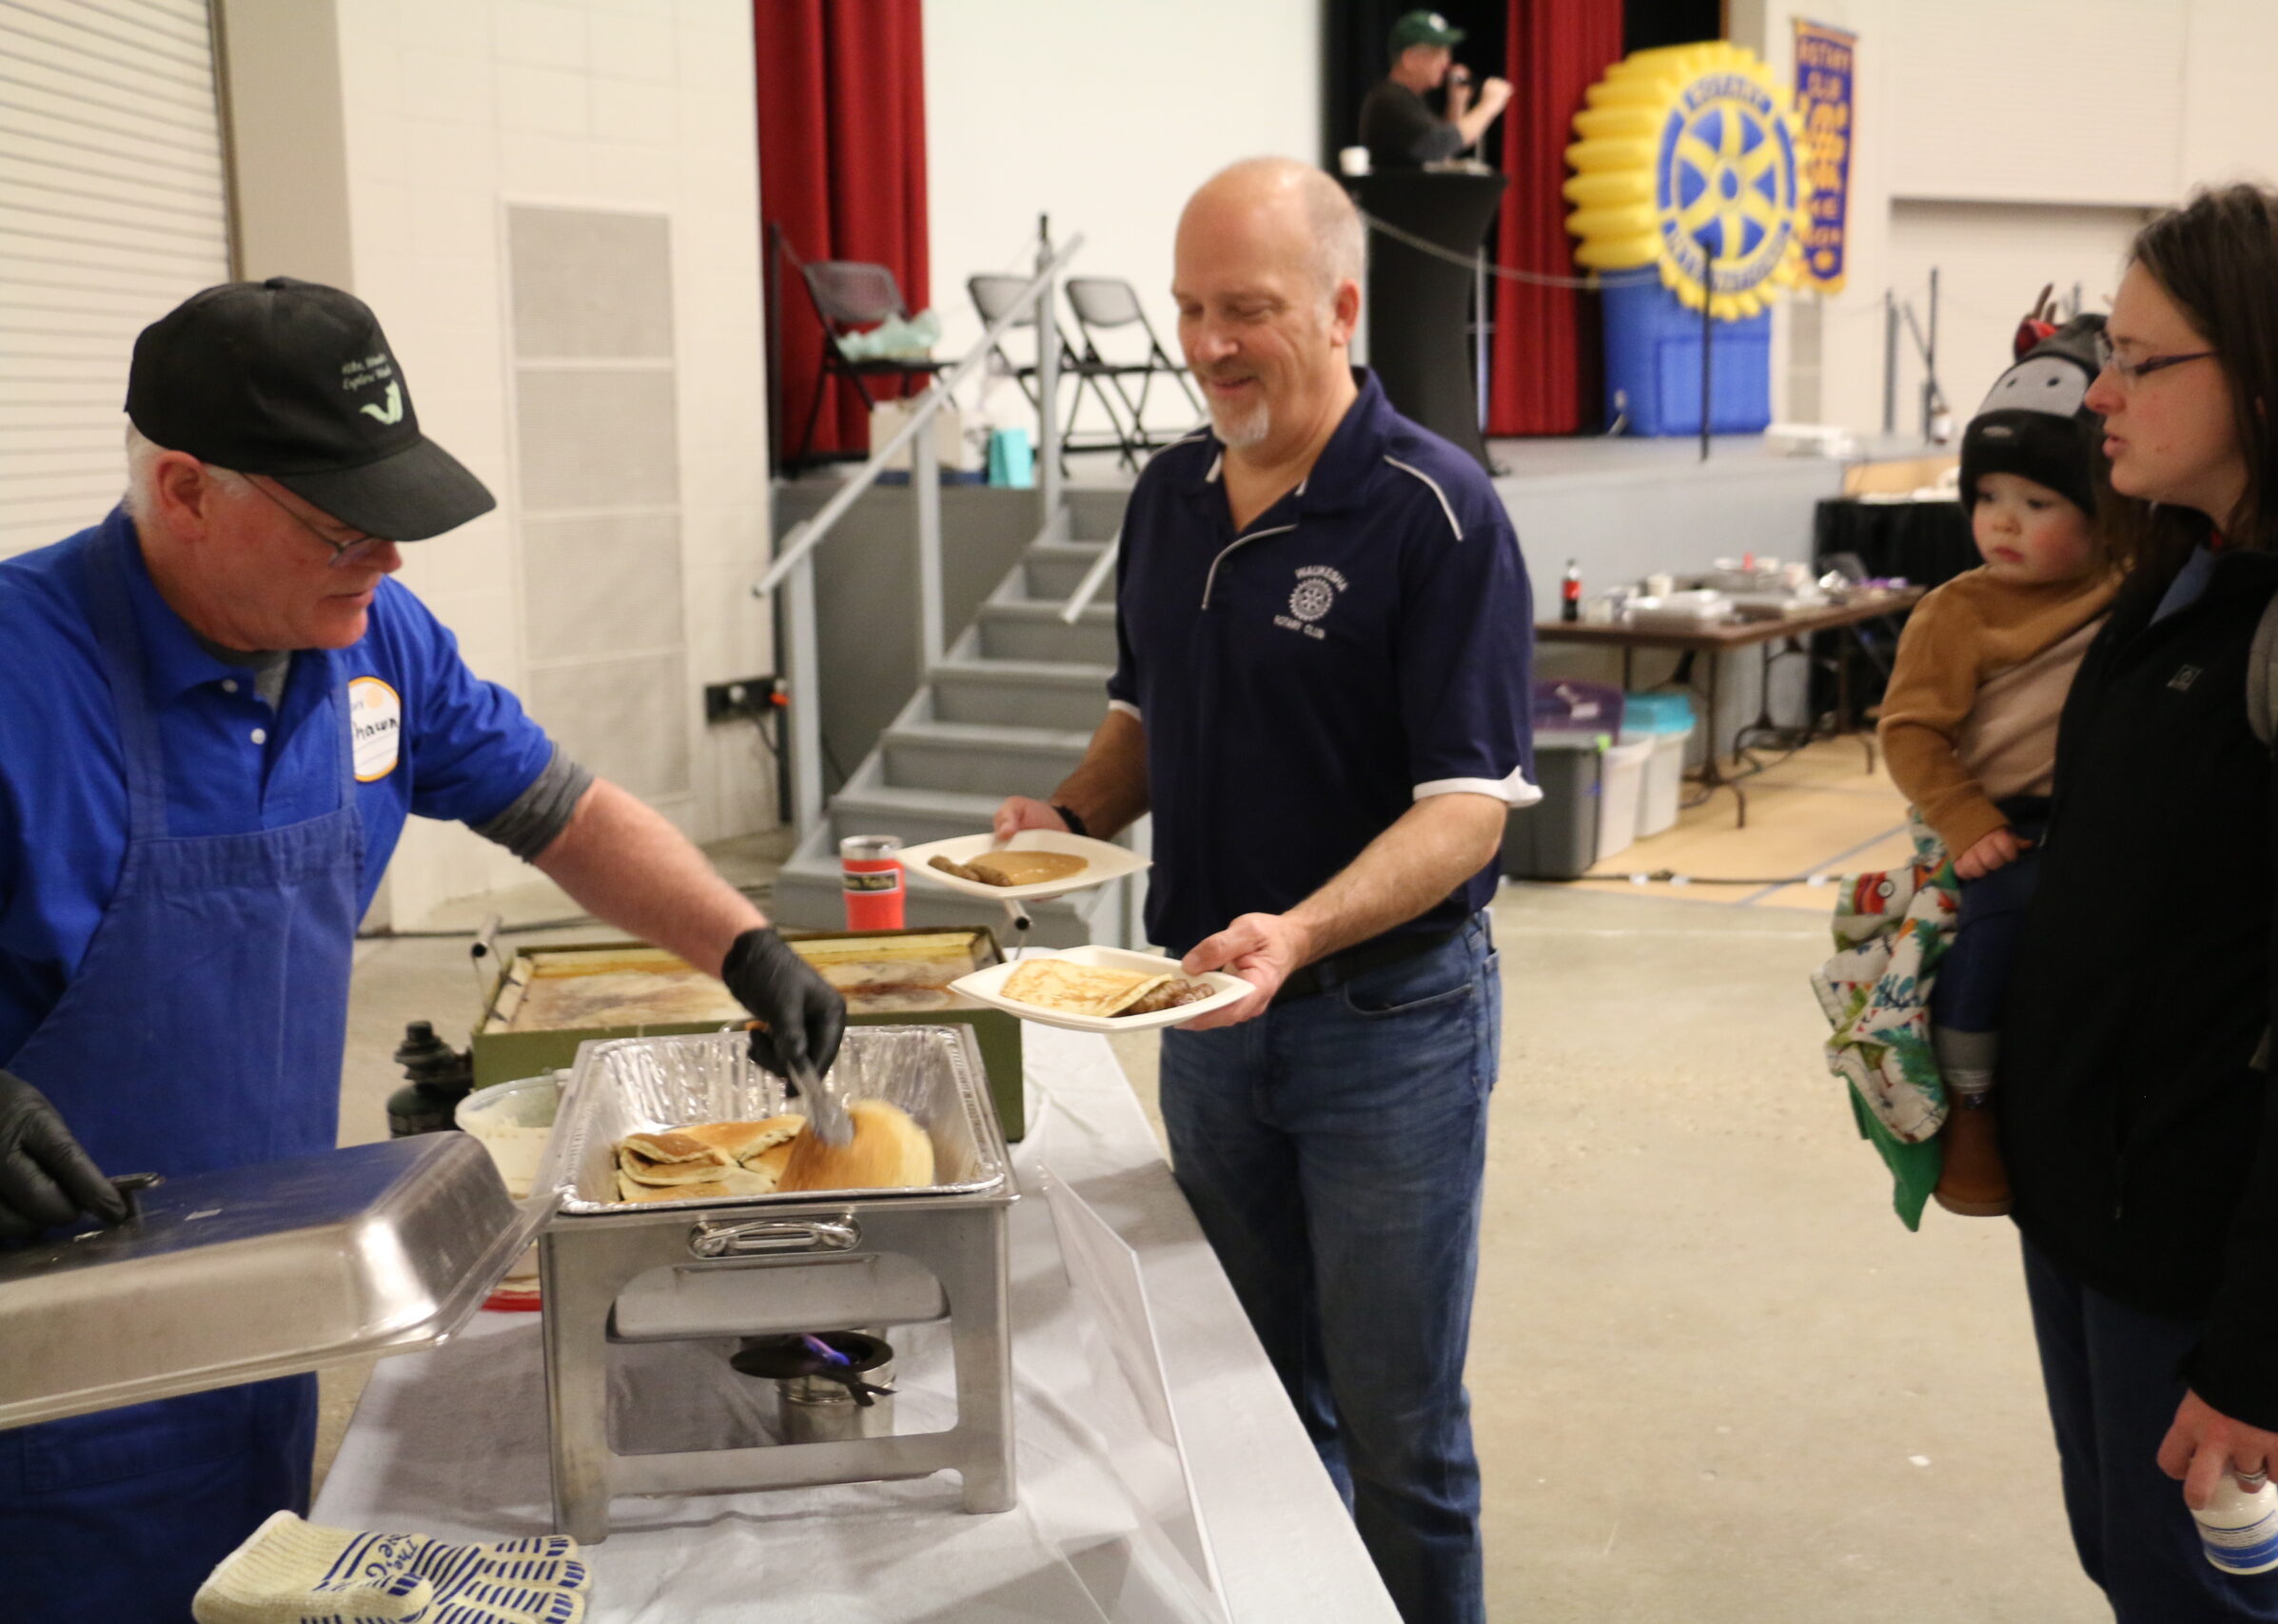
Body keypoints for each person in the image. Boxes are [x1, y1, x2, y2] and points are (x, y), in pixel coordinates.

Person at [0, 277, 848, 1624]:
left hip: (267, 1323)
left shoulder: (371, 644)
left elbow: (558, 807)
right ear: (183, 489)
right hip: (48, 1375)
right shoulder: (20, 668)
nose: (389, 562)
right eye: (346, 527)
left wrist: (744, 944)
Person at [991, 157, 1537, 1624]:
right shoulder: (1169, 498)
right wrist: (1064, 815)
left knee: (1401, 1422)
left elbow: (1469, 809)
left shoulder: (1438, 512)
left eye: (1248, 307)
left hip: (1388, 1025)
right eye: (1190, 309)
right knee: (1248, 1397)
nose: (1211, 341)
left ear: (1342, 306)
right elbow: (1151, 712)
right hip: (1208, 1019)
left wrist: (1296, 932)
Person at [2001, 185, 2278, 1620]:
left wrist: (2265, 1357)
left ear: (2264, 365)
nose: (2098, 391)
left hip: (2211, 1256)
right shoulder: (2190, 564)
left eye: (2138, 358)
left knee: (2204, 1603)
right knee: (2137, 1572)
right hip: (2100, 1212)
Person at [1875, 310, 2118, 1219]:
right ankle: (1971, 1102)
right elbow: (1909, 731)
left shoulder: (2126, 583)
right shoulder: (1957, 613)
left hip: (2097, 816)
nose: (2002, 523)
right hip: (2000, 827)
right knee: (1996, 924)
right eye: (1987, 498)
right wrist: (1966, 818)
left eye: (2038, 503)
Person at [1358, 10, 1512, 169]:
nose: (1446, 64)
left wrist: (1457, 102)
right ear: (1409, 59)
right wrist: (1489, 105)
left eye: (1447, 54)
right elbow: (1438, 144)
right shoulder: (1390, 100)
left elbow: (1444, 148)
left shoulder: (1408, 99)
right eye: (1439, 54)